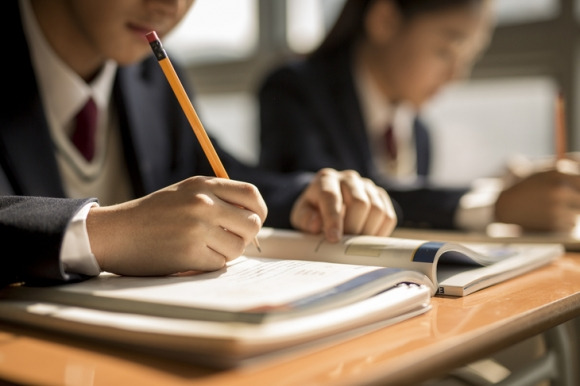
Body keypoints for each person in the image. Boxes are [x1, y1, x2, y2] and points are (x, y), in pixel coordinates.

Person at [0, 0, 398, 287]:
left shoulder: (151, 79)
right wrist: (107, 234)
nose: (170, 5)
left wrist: (306, 197)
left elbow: (215, 173)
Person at [258, 0, 580, 233]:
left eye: (469, 59)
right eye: (445, 51)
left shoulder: (419, 133)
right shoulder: (294, 90)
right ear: (385, 20)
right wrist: (493, 202)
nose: (456, 76)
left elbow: (407, 203)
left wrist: (500, 189)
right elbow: (327, 197)